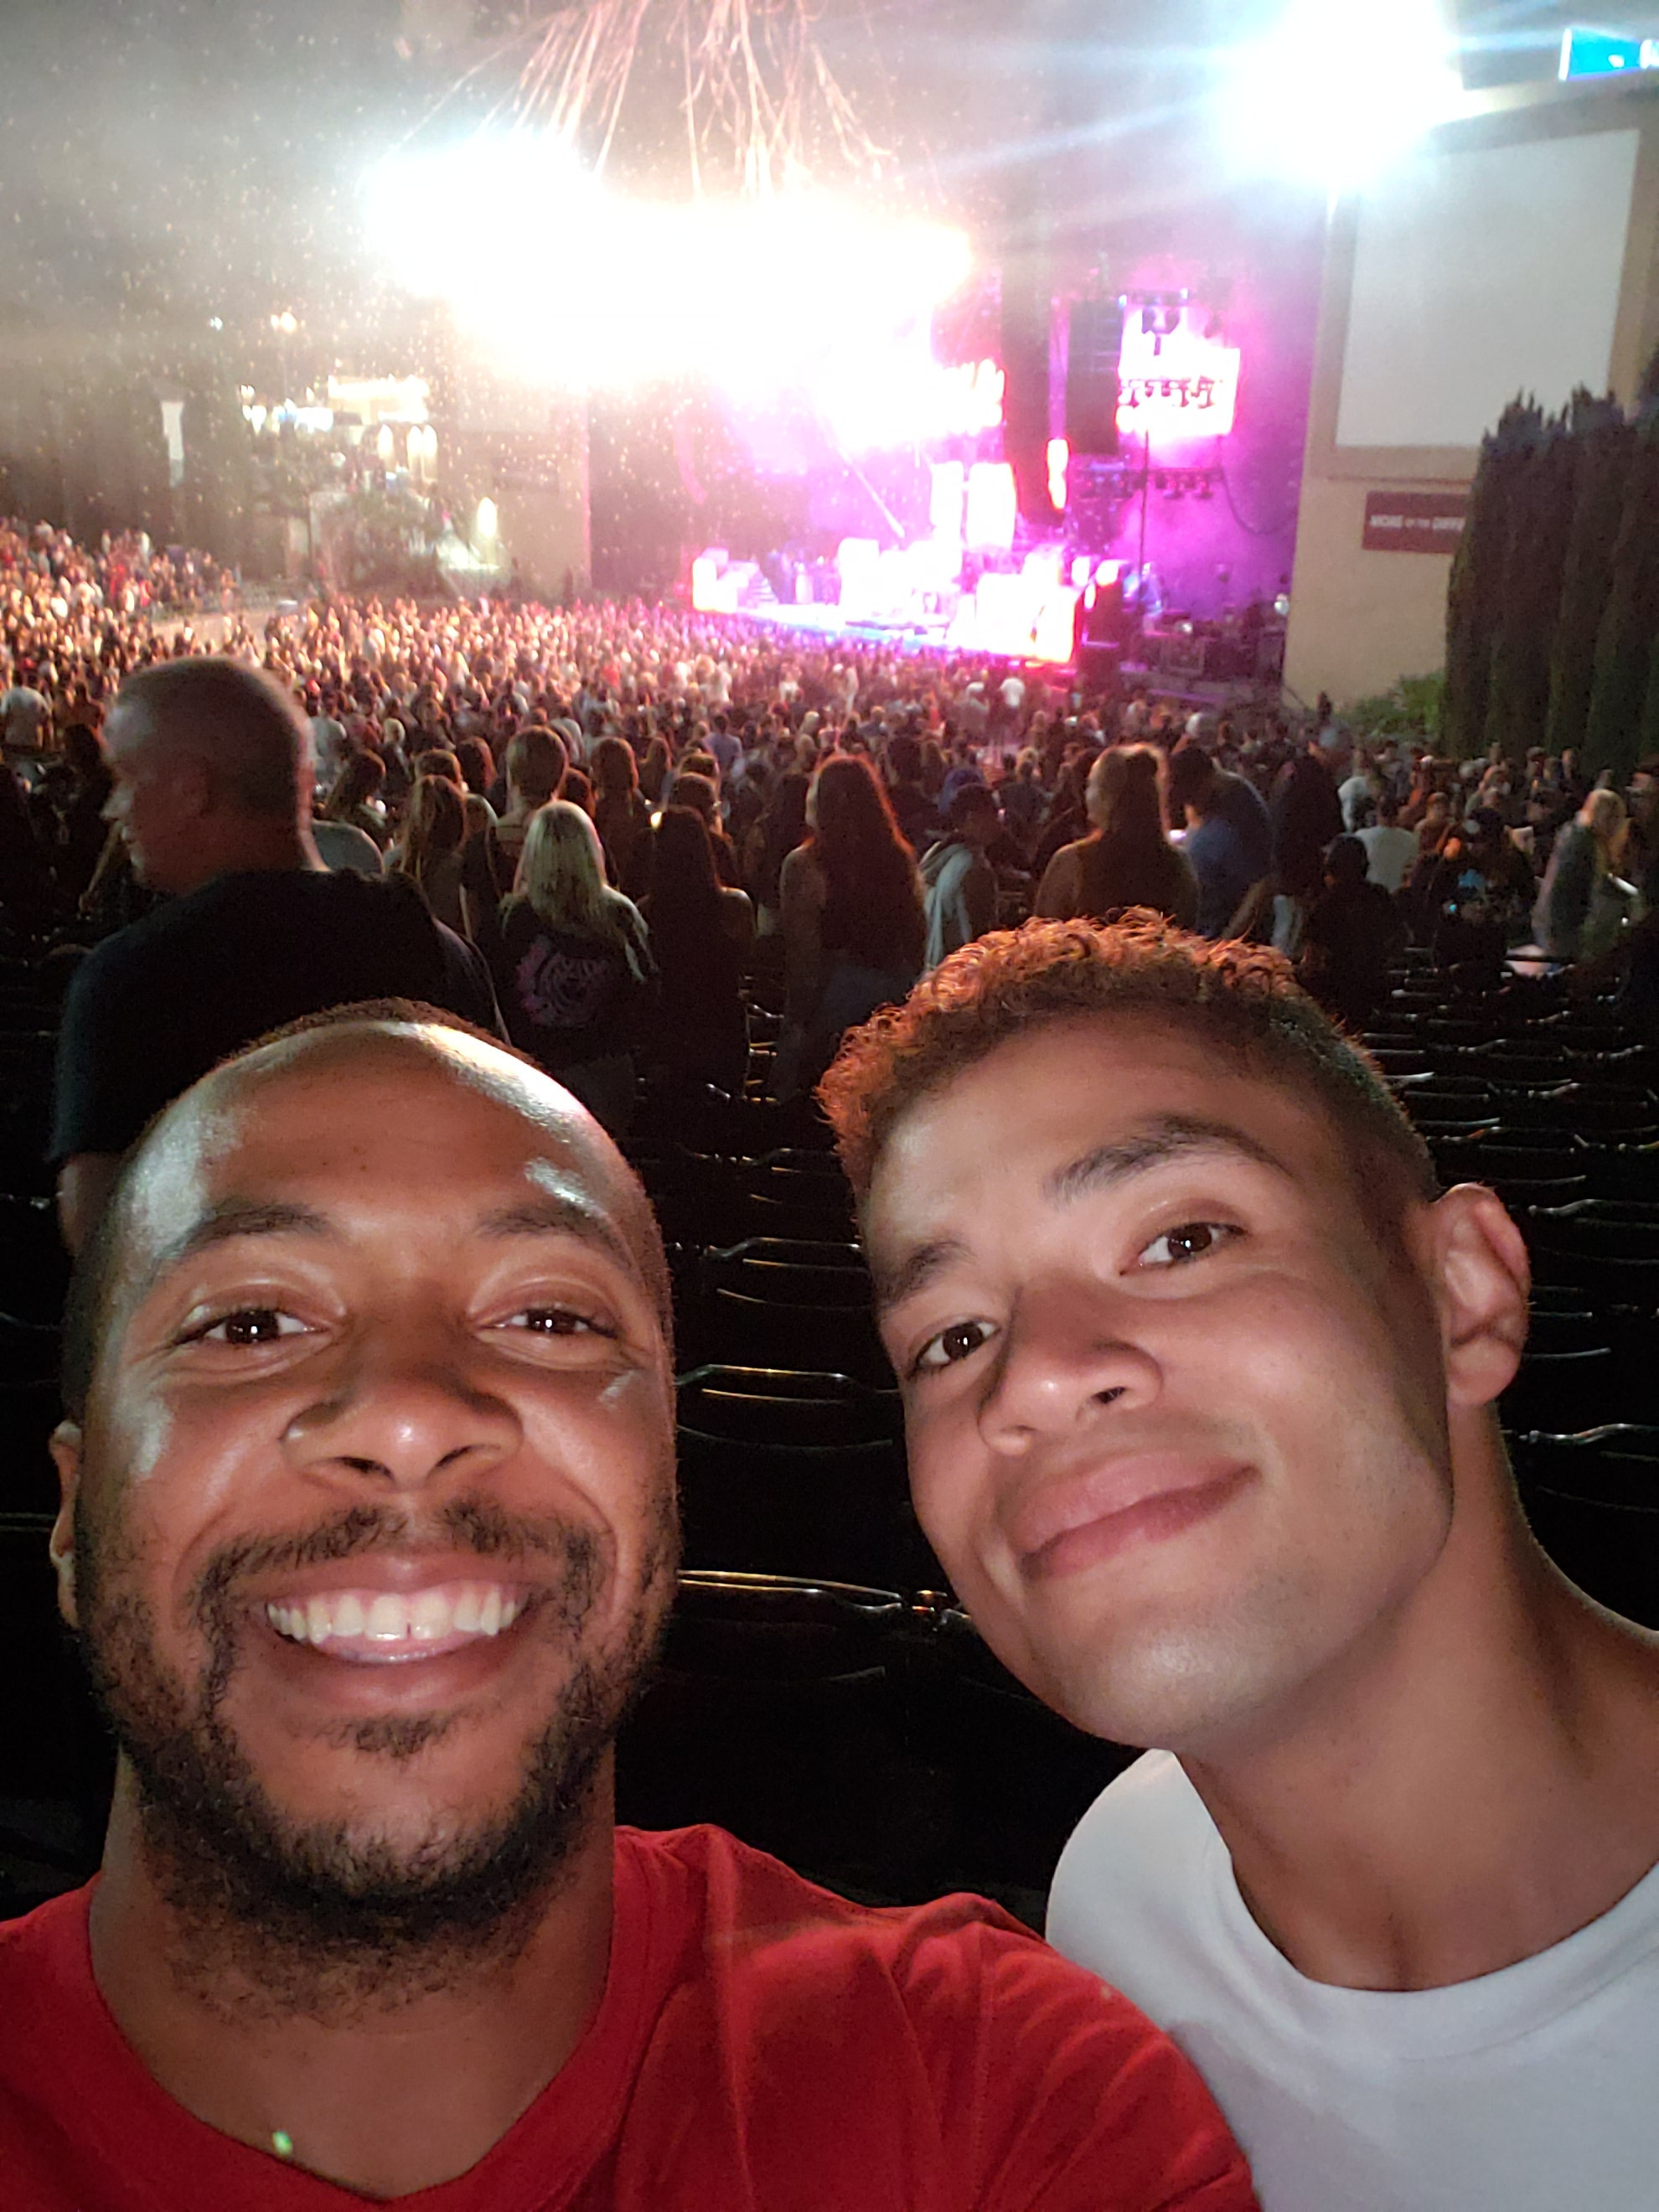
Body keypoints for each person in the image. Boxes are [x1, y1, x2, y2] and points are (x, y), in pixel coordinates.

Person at [0, 1006, 1255, 2209]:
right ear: (72, 1512)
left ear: (666, 1488)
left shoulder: (1008, 2109)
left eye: (549, 1317)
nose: (408, 1415)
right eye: (249, 1323)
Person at [819, 913, 1659, 2212]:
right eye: (953, 1337)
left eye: (1183, 1240)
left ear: (1463, 1293)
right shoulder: (1116, 1898)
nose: (1031, 1380)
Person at [49, 659, 500, 1255]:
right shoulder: (435, 950)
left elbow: (102, 1241)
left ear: (191, 788)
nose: (113, 809)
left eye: (127, 780)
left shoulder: (127, 981)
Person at [475, 798, 654, 1139]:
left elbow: (489, 1002)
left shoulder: (509, 921)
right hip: (604, 1081)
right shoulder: (621, 918)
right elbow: (645, 998)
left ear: (533, 853)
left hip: (529, 1079)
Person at [776, 754, 925, 1099]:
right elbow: (917, 939)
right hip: (890, 1001)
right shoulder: (898, 860)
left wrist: (798, 1024)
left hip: (833, 1002)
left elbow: (803, 956)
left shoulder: (805, 865)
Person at [641, 803, 754, 1093]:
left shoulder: (647, 912)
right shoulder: (735, 907)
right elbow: (745, 960)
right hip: (722, 1027)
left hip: (670, 1029)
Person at [1036, 747, 1197, 929]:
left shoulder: (1072, 863)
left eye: (1091, 784)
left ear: (1109, 797)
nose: (1086, 793)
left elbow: (1041, 933)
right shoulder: (1179, 865)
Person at [1297, 832, 1406, 1031]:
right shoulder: (1379, 897)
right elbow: (1401, 939)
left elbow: (1311, 960)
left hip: (1336, 998)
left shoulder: (1326, 905)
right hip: (1378, 991)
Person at [1165, 746, 1272, 940]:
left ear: (1209, 778)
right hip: (1205, 930)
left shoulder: (1241, 805)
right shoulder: (1208, 802)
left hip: (1230, 937)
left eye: (1193, 798)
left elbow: (1261, 886)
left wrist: (1227, 939)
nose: (1191, 805)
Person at [1533, 785, 1634, 964]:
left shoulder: (1576, 835)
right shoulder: (1583, 844)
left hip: (1554, 927)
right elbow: (1568, 892)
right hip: (1563, 931)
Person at [920, 784, 1001, 971]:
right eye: (995, 815)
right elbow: (981, 938)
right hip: (962, 976)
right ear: (973, 818)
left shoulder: (938, 855)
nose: (999, 824)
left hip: (936, 971)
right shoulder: (975, 868)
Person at [1356, 789, 1418, 895]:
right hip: (1397, 896)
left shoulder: (1361, 837)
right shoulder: (1411, 840)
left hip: (1370, 895)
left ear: (1377, 812)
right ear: (1398, 812)